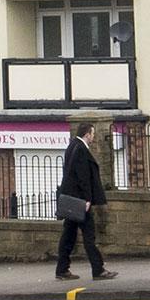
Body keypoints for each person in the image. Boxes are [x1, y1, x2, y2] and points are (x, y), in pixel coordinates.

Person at [55, 121, 119, 282]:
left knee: (68, 235)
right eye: (92, 134)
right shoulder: (81, 149)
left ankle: (62, 270)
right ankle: (98, 270)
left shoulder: (72, 146)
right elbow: (82, 177)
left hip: (72, 200)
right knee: (89, 236)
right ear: (87, 134)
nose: (93, 137)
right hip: (80, 201)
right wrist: (87, 199)